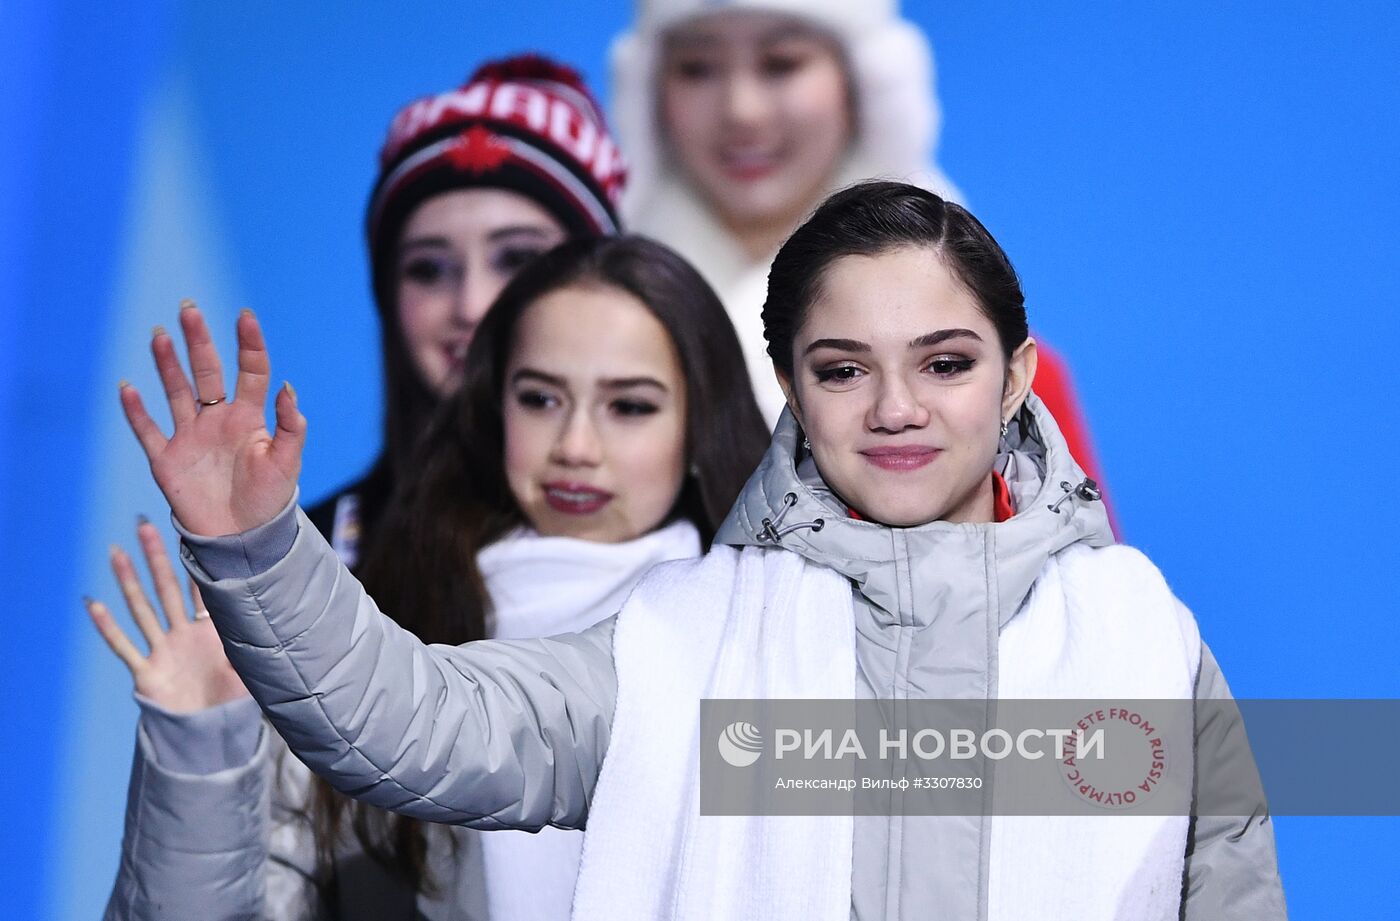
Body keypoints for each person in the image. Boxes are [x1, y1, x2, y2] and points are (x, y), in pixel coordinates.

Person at [119, 182, 1286, 919]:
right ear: (788, 387)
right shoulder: (670, 644)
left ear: (1018, 376)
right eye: (841, 368)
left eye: (943, 362)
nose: (894, 409)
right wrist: (255, 545)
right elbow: (413, 726)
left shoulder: (1147, 643)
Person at [94, 240, 767, 916]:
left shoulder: (782, 633)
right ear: (492, 407)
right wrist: (202, 750)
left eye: (630, 406)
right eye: (539, 398)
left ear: (701, 423)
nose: (576, 447)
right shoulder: (363, 630)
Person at [610, 0, 1110, 511]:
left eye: (782, 63)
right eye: (697, 68)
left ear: (863, 81)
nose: (742, 110)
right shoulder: (579, 346)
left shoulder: (1005, 380)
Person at [308, 53, 627, 568]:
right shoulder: (309, 564)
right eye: (428, 270)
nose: (472, 306)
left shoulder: (717, 536)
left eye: (518, 258)